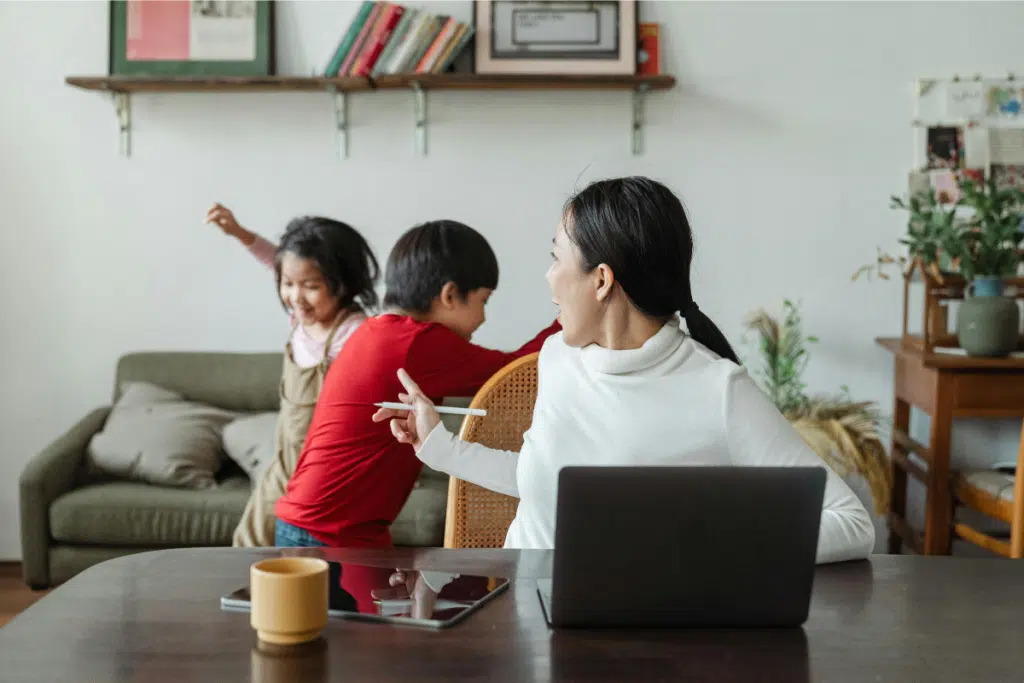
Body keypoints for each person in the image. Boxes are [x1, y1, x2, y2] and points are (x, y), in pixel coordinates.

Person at [374, 176, 876, 565]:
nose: (549, 278)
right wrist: (438, 446)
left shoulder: (718, 390)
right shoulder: (557, 358)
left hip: (639, 635)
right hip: (522, 618)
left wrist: (708, 542)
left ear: (601, 280)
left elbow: (851, 523)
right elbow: (545, 482)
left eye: (555, 258)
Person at [273, 219, 562, 549]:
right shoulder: (415, 343)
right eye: (484, 301)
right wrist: (569, 312)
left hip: (318, 524)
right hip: (329, 534)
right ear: (450, 295)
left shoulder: (378, 331)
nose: (483, 318)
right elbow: (515, 375)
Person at [204, 204, 380, 547]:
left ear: (343, 283)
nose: (296, 296)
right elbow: (278, 261)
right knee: (249, 540)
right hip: (284, 458)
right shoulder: (301, 317)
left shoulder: (353, 333)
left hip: (319, 471)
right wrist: (241, 234)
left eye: (310, 286)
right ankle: (249, 598)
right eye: (287, 284)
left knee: (293, 552)